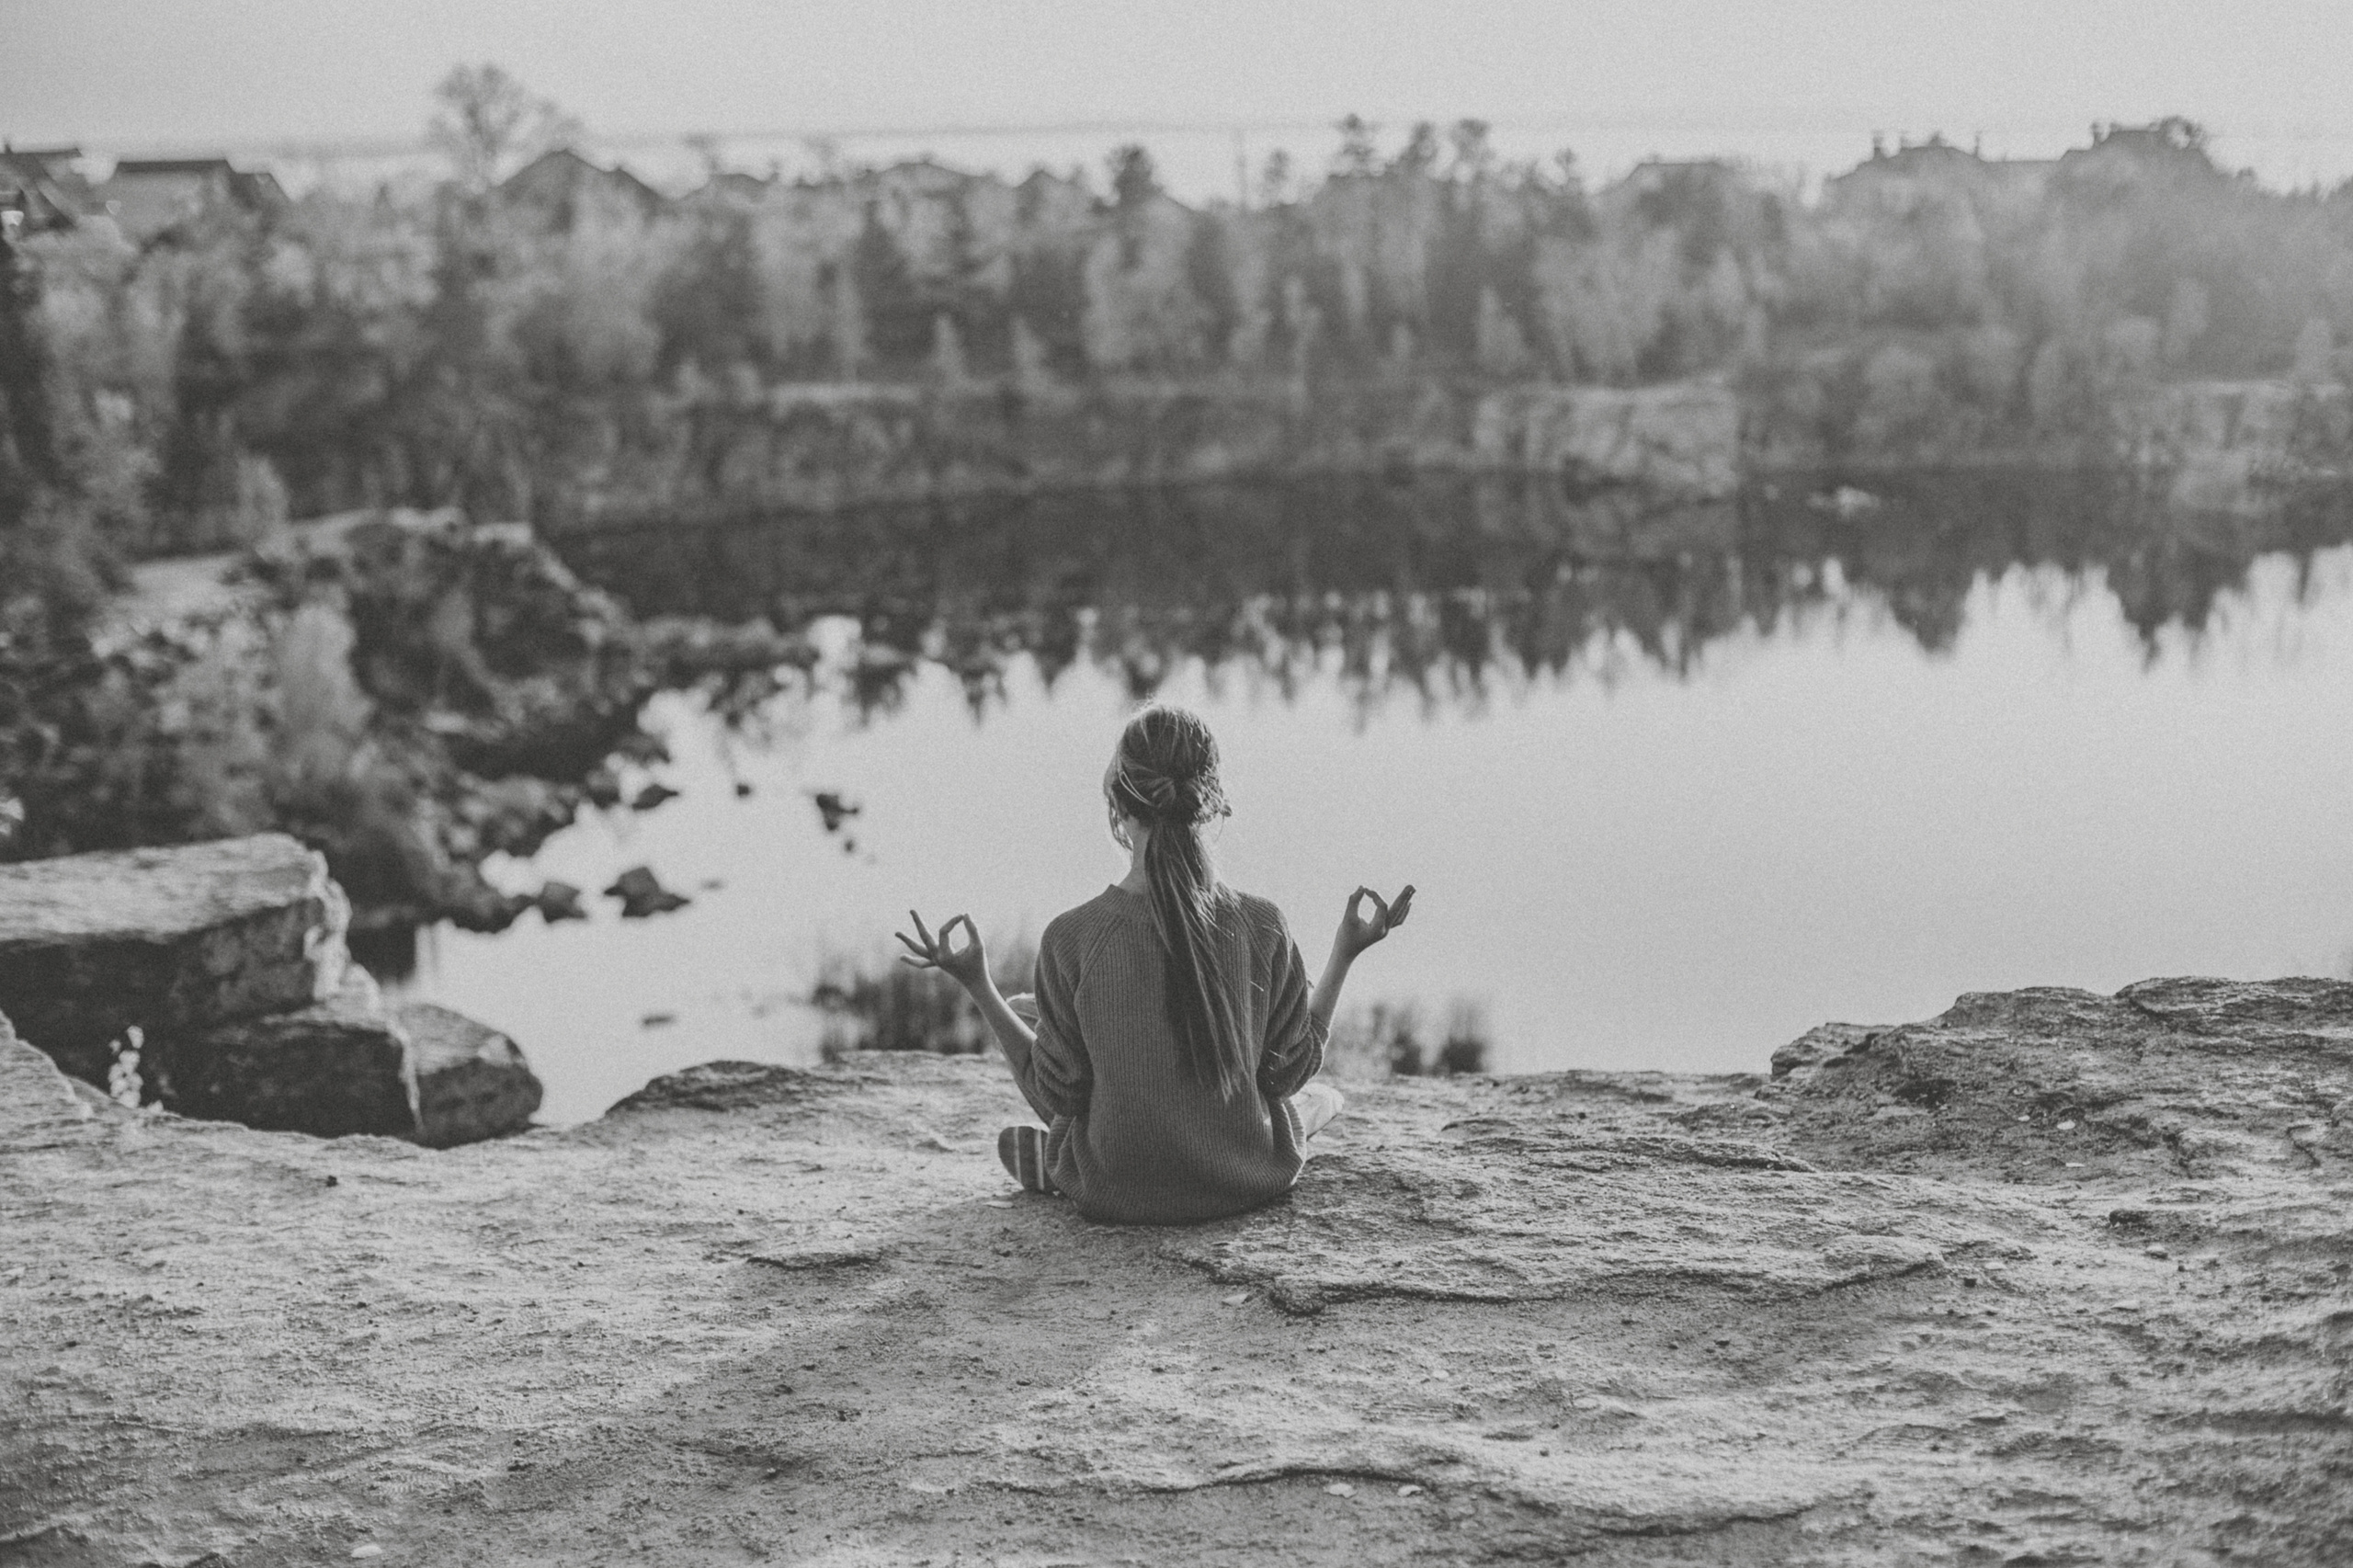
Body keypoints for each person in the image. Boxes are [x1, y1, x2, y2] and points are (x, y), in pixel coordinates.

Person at [895, 704, 1413, 1225]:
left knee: (1041, 1025)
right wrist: (1344, 955)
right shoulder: (1262, 924)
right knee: (1305, 1099)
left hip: (1117, 1191)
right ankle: (1311, 1115)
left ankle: (1063, 1166)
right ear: (1210, 802)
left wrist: (977, 983)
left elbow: (1061, 1092)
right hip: (1244, 1181)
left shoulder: (1071, 939)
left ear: (1119, 804)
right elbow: (1287, 1071)